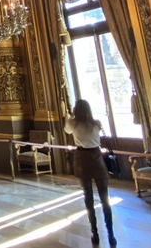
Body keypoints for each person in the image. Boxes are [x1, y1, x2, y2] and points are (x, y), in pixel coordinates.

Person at [64, 99, 116, 246]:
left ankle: (95, 232)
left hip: (82, 159)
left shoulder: (73, 123)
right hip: (97, 158)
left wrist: (70, 115)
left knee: (88, 198)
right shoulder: (97, 123)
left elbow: (67, 130)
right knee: (105, 199)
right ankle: (111, 234)